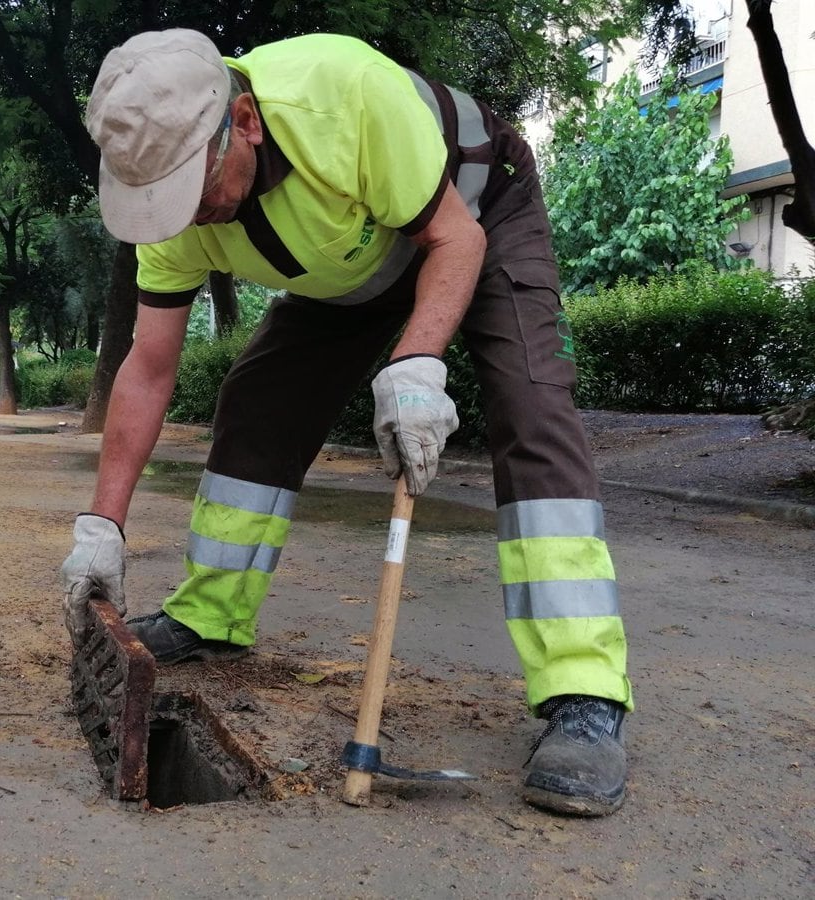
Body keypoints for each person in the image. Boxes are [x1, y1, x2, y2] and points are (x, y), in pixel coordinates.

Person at [62, 28, 633, 816]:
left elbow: (451, 238)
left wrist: (418, 364)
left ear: (247, 122)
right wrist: (103, 526)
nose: (182, 217)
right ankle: (213, 613)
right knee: (259, 403)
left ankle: (585, 693)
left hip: (471, 211)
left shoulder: (342, 96)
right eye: (159, 201)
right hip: (355, 267)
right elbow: (149, 366)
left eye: (192, 190)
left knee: (532, 408)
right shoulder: (176, 211)